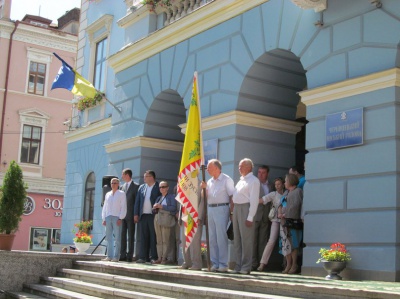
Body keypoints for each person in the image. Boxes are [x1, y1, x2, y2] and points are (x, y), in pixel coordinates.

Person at [201, 159, 234, 273]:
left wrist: (231, 212)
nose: (208, 170)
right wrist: (203, 189)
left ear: (217, 168)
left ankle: (223, 264)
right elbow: (205, 197)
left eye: (209, 167)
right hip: (210, 208)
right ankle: (214, 263)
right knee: (212, 238)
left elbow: (232, 196)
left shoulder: (226, 179)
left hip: (222, 208)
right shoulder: (209, 181)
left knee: (221, 237)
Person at [231, 158, 260, 274]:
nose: (239, 168)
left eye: (242, 166)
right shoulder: (240, 181)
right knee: (237, 239)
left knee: (246, 240)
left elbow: (254, 200)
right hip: (237, 209)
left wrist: (250, 217)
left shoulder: (253, 181)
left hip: (246, 209)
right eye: (239, 166)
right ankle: (238, 265)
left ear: (249, 167)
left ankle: (246, 266)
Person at [257, 177, 286, 271]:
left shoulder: (287, 193)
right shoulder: (274, 194)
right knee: (271, 241)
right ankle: (262, 263)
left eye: (279, 184)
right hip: (275, 220)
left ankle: (286, 264)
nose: (277, 186)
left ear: (283, 184)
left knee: (285, 241)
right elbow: (263, 200)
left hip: (285, 220)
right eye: (276, 184)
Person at [134, 170, 161, 264]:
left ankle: (153, 256)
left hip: (153, 215)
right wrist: (136, 214)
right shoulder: (142, 187)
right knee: (143, 236)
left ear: (152, 177)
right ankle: (142, 257)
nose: (144, 178)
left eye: (146, 176)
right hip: (143, 215)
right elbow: (137, 201)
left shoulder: (158, 187)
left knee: (153, 236)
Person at [279, 173, 303, 274]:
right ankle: (288, 264)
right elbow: (280, 204)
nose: (284, 183)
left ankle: (294, 265)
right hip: (284, 222)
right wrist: (280, 212)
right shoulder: (286, 193)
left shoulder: (298, 191)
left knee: (294, 244)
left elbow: (296, 205)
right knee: (285, 245)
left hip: (292, 222)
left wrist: (286, 214)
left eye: (285, 180)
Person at [102, 178, 127, 262]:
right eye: (112, 183)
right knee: (108, 238)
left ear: (118, 184)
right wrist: (104, 218)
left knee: (117, 238)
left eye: (115, 183)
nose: (113, 184)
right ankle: (109, 256)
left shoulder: (121, 193)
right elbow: (105, 206)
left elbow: (123, 206)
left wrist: (121, 217)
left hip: (117, 217)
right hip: (108, 217)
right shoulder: (107, 194)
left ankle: (116, 257)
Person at [252, 165, 272, 270]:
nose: (260, 174)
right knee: (253, 240)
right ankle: (253, 263)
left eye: (263, 172)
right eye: (259, 172)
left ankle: (261, 263)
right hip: (255, 215)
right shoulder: (254, 183)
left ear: (267, 173)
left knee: (263, 241)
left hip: (266, 216)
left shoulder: (271, 185)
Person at [153, 181, 177, 264]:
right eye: (160, 187)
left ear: (167, 188)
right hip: (157, 218)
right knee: (159, 239)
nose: (161, 189)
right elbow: (154, 209)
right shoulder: (158, 198)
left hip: (166, 218)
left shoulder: (171, 197)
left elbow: (173, 208)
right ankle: (159, 257)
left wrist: (162, 206)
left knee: (165, 239)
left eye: (163, 187)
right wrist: (155, 207)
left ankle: (165, 257)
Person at [120, 168, 139, 262]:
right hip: (122, 215)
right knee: (122, 235)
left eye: (123, 174)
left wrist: (136, 214)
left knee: (131, 236)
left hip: (131, 215)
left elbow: (136, 202)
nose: (122, 176)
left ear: (127, 175)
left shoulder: (136, 186)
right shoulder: (122, 187)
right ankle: (122, 254)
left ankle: (129, 255)